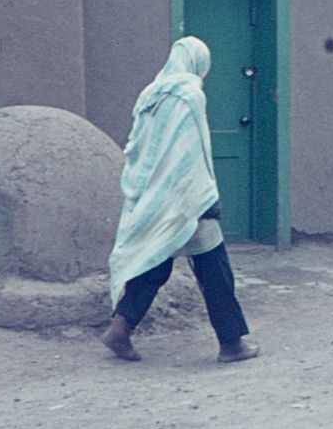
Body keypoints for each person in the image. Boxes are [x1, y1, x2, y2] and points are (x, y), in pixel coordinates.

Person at [101, 36, 260, 364]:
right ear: (198, 63)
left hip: (153, 195)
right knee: (214, 270)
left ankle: (120, 329)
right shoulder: (189, 94)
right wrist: (203, 196)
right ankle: (232, 344)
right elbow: (192, 152)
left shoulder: (151, 94)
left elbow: (142, 147)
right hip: (187, 198)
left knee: (154, 262)